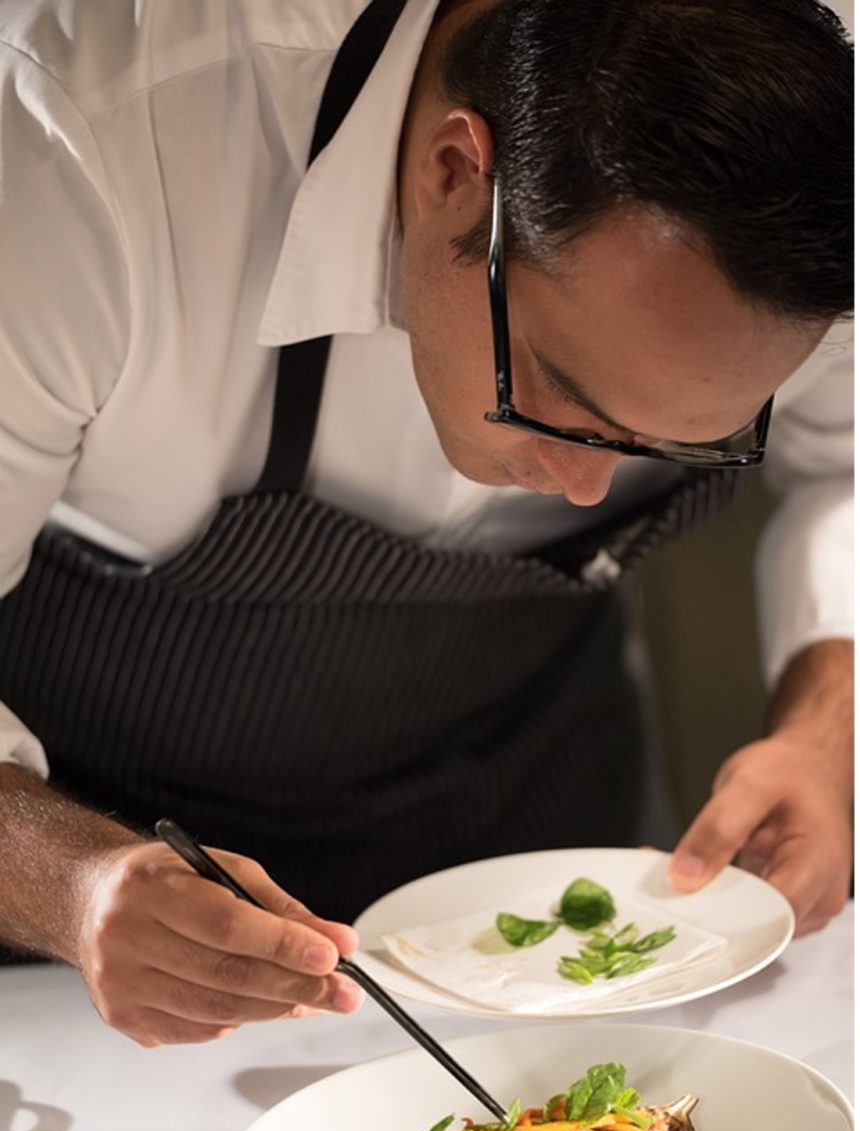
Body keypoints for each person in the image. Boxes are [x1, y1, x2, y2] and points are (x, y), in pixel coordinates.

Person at [0, 0, 852, 1046]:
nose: (585, 489)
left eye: (673, 441)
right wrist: (69, 882)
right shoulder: (78, 150)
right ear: (454, 173)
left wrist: (822, 732)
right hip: (109, 907)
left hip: (539, 798)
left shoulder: (819, 141)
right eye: (557, 394)